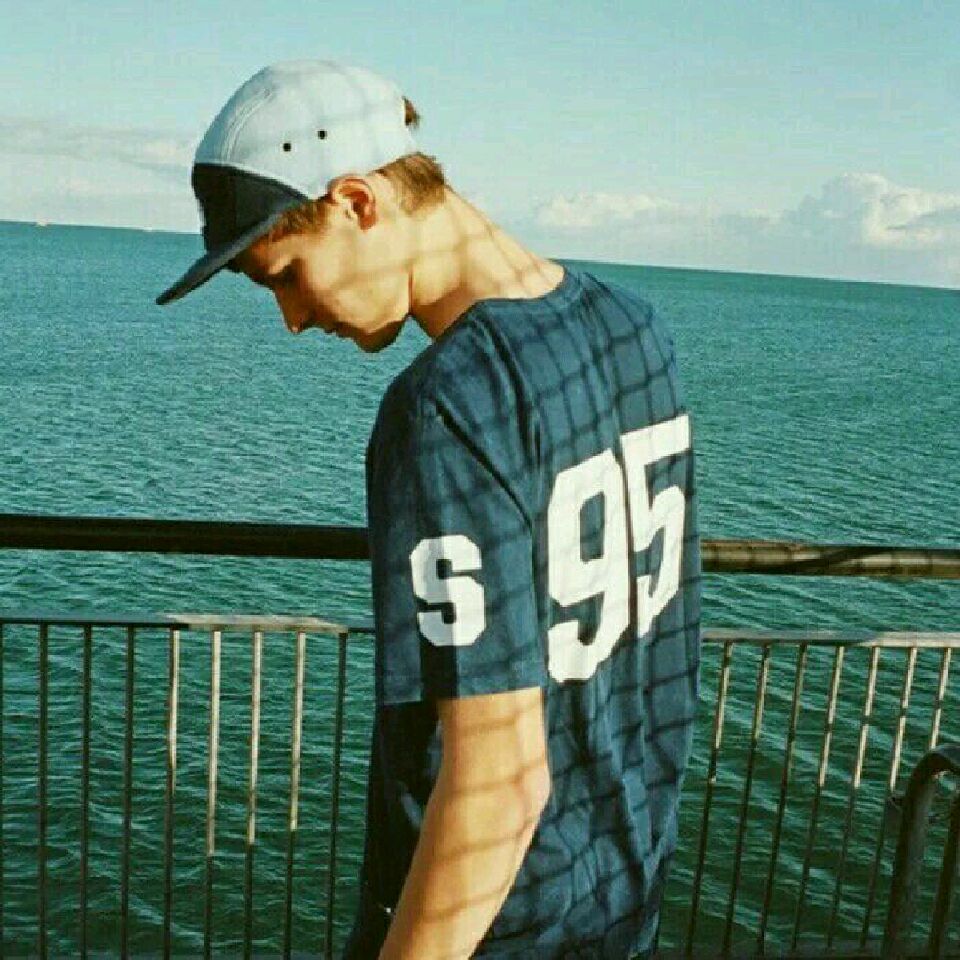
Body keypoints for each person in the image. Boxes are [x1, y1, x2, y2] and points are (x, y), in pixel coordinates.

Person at [157, 59, 702, 960]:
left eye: (283, 275)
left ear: (357, 203)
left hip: (497, 927)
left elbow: (498, 786)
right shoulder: (634, 327)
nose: (293, 319)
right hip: (623, 891)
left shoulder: (448, 407)